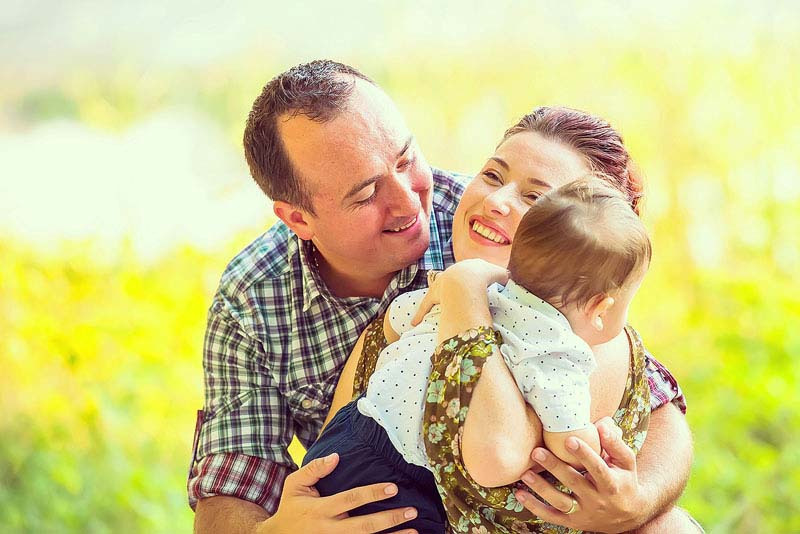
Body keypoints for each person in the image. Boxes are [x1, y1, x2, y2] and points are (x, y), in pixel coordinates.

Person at [188, 60, 696, 534]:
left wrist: (642, 499)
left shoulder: (480, 223)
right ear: (299, 218)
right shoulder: (255, 300)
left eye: (407, 160)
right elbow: (232, 479)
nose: (410, 203)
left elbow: (649, 396)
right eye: (366, 194)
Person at [302, 176, 653, 533]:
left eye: (532, 195)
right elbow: (571, 443)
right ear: (601, 307)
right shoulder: (557, 350)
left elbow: (403, 315)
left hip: (349, 433)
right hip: (394, 477)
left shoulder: (484, 294)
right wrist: (599, 440)